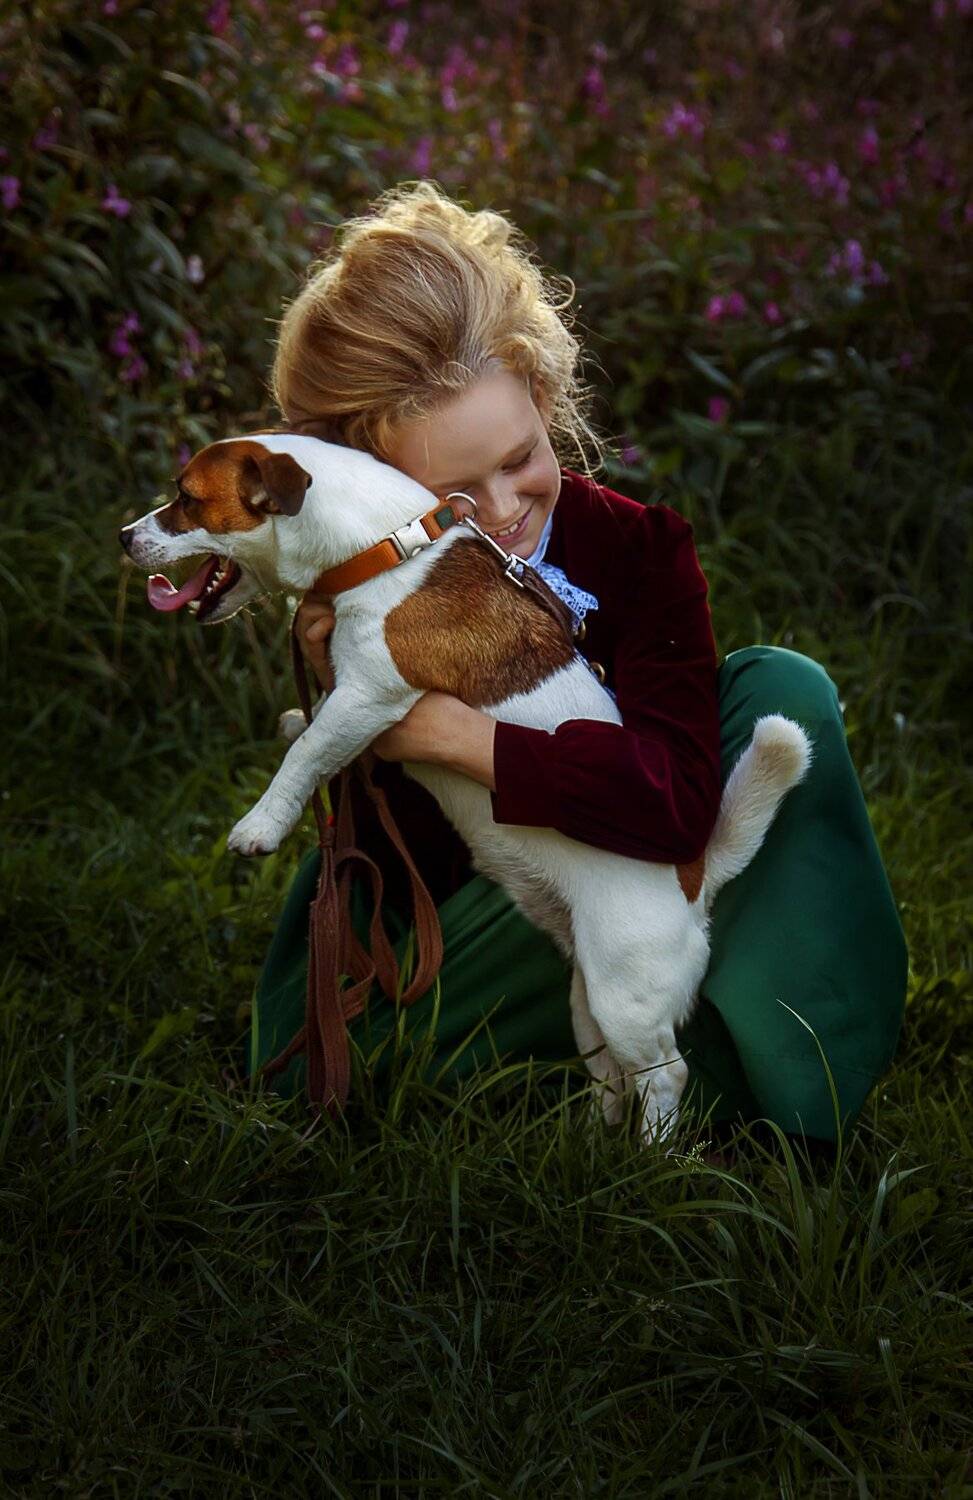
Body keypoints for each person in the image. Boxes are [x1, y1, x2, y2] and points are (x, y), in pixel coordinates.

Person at [246, 180, 907, 1147]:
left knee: (785, 692)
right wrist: (362, 706)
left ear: (543, 395)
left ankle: (774, 1061)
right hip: (470, 918)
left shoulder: (639, 550)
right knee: (345, 1064)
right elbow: (395, 850)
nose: (502, 509)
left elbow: (677, 810)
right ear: (370, 483)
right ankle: (648, 1050)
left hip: (632, 886)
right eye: (452, 495)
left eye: (520, 457)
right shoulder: (369, 588)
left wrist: (462, 738)